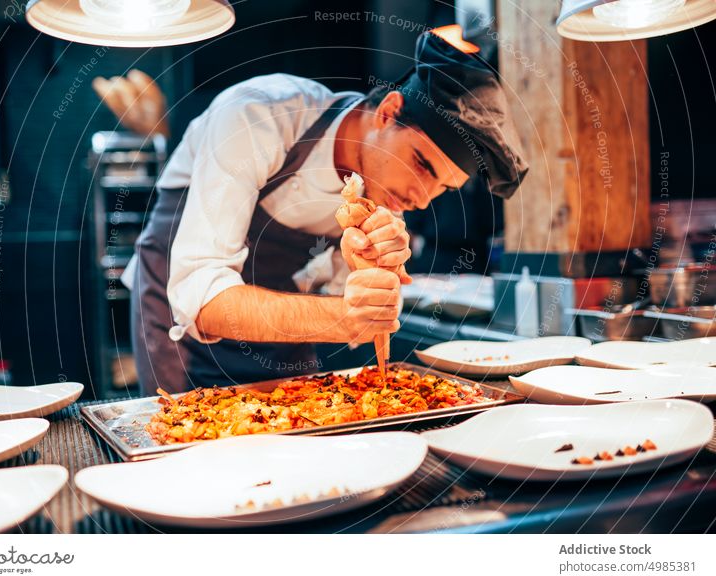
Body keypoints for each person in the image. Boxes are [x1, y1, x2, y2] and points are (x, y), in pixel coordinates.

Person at [104, 26, 527, 395]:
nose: (421, 198)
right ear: (388, 112)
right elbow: (203, 301)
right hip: (179, 318)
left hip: (278, 326)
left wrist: (371, 284)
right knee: (180, 450)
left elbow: (350, 313)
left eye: (443, 188)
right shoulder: (259, 115)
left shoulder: (386, 195)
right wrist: (344, 317)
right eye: (421, 164)